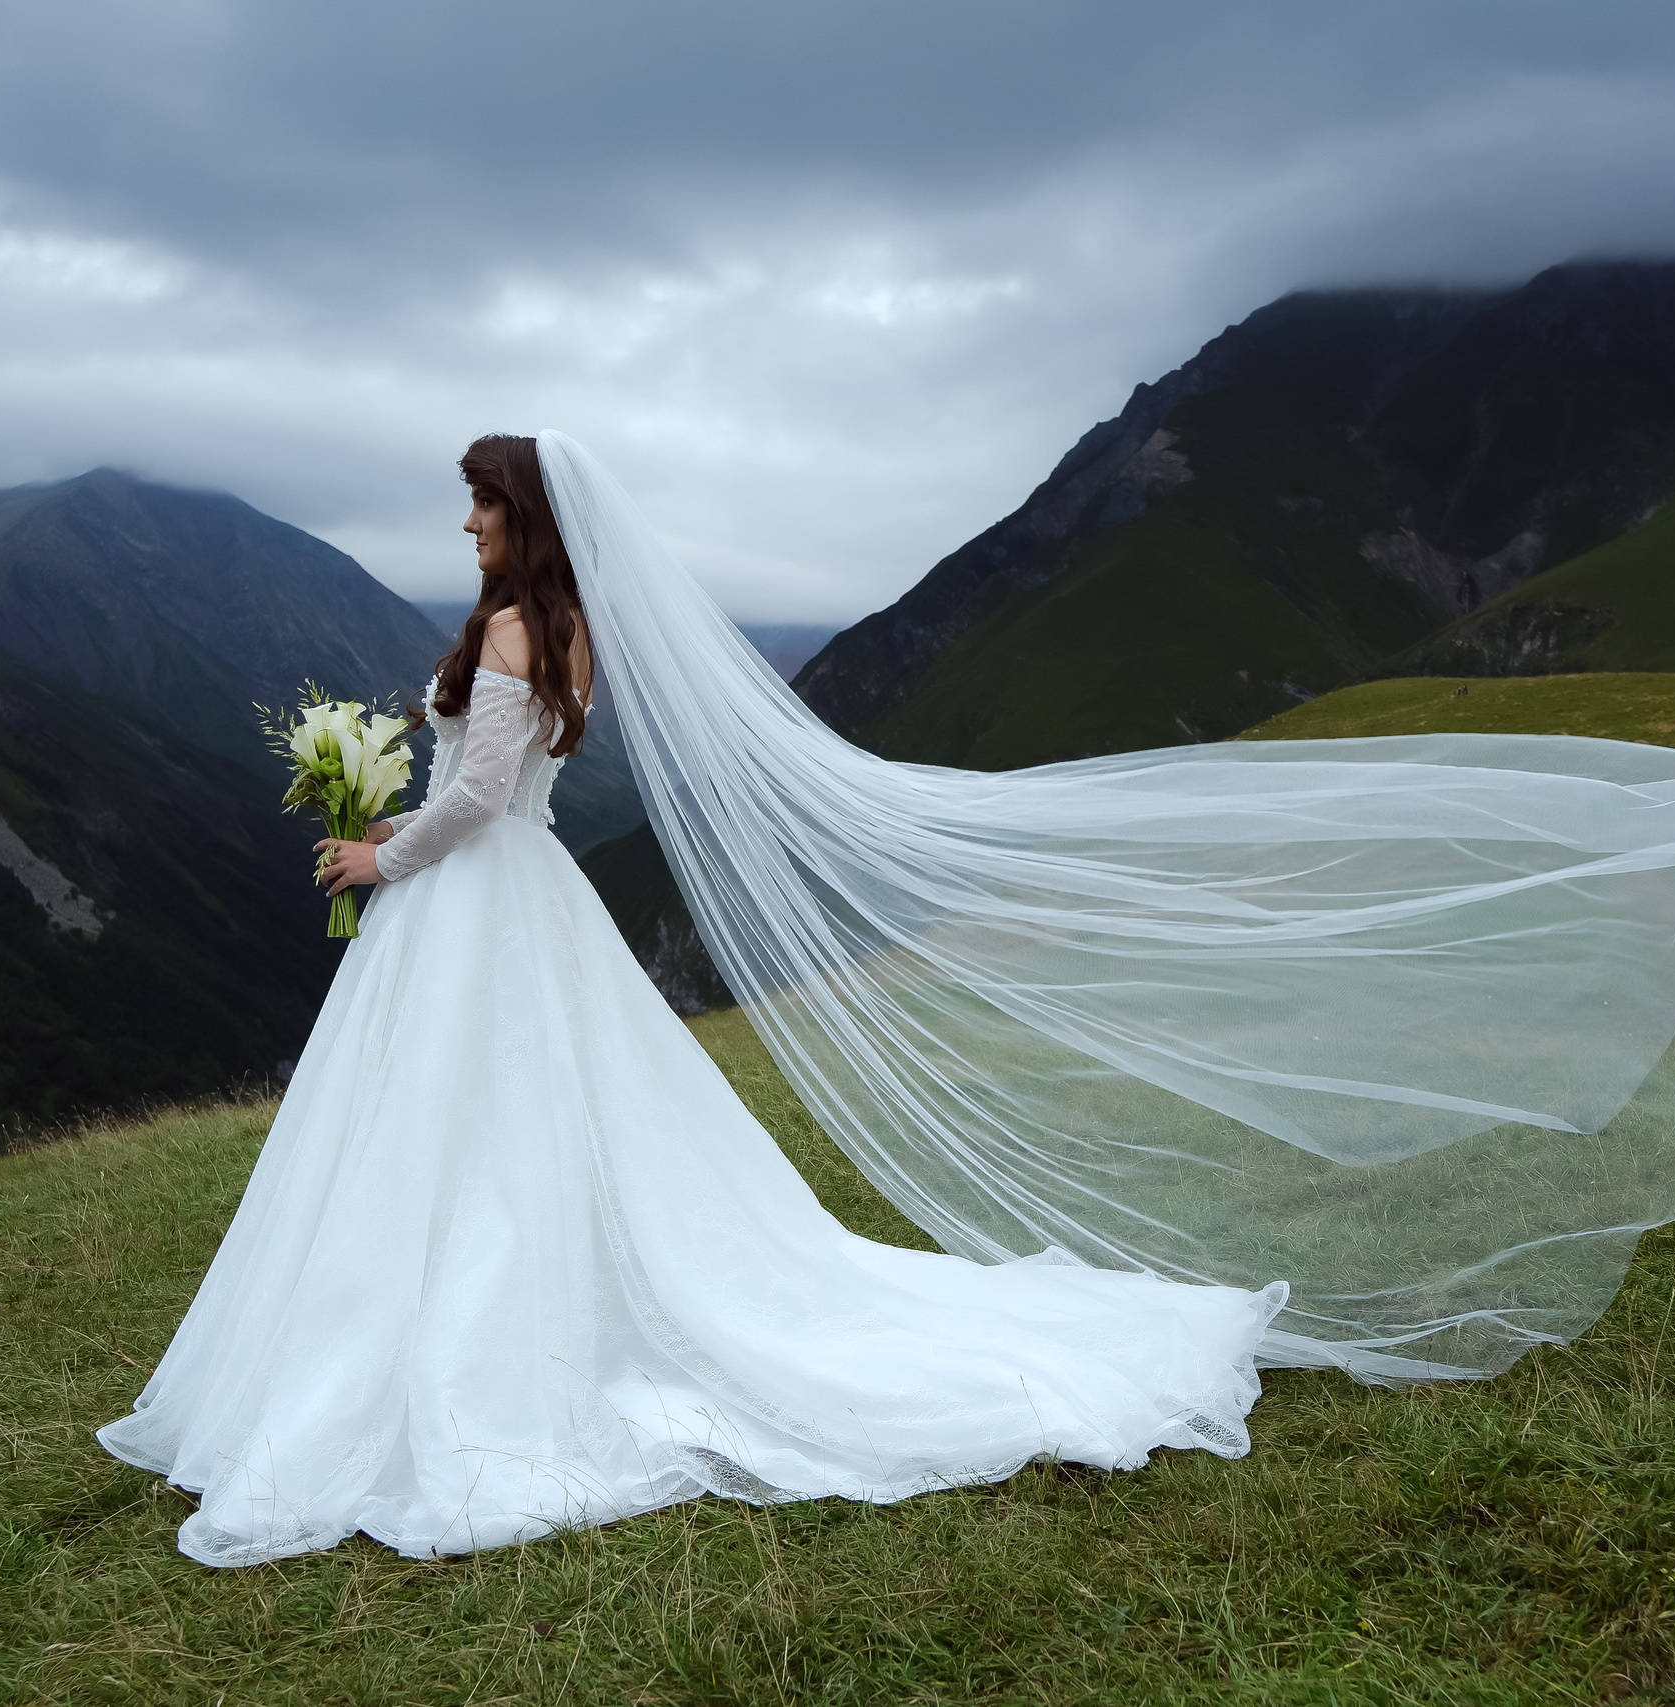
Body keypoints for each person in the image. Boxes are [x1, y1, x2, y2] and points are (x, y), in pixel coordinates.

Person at [97, 435, 1287, 1567]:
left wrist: (381, 858)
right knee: (516, 1114)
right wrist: (387, 828)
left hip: (476, 898)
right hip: (515, 889)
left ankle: (448, 1347)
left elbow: (478, 801)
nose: (469, 523)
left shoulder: (511, 629)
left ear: (529, 516)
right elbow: (488, 793)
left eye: (485, 502)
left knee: (459, 1116)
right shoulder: (564, 632)